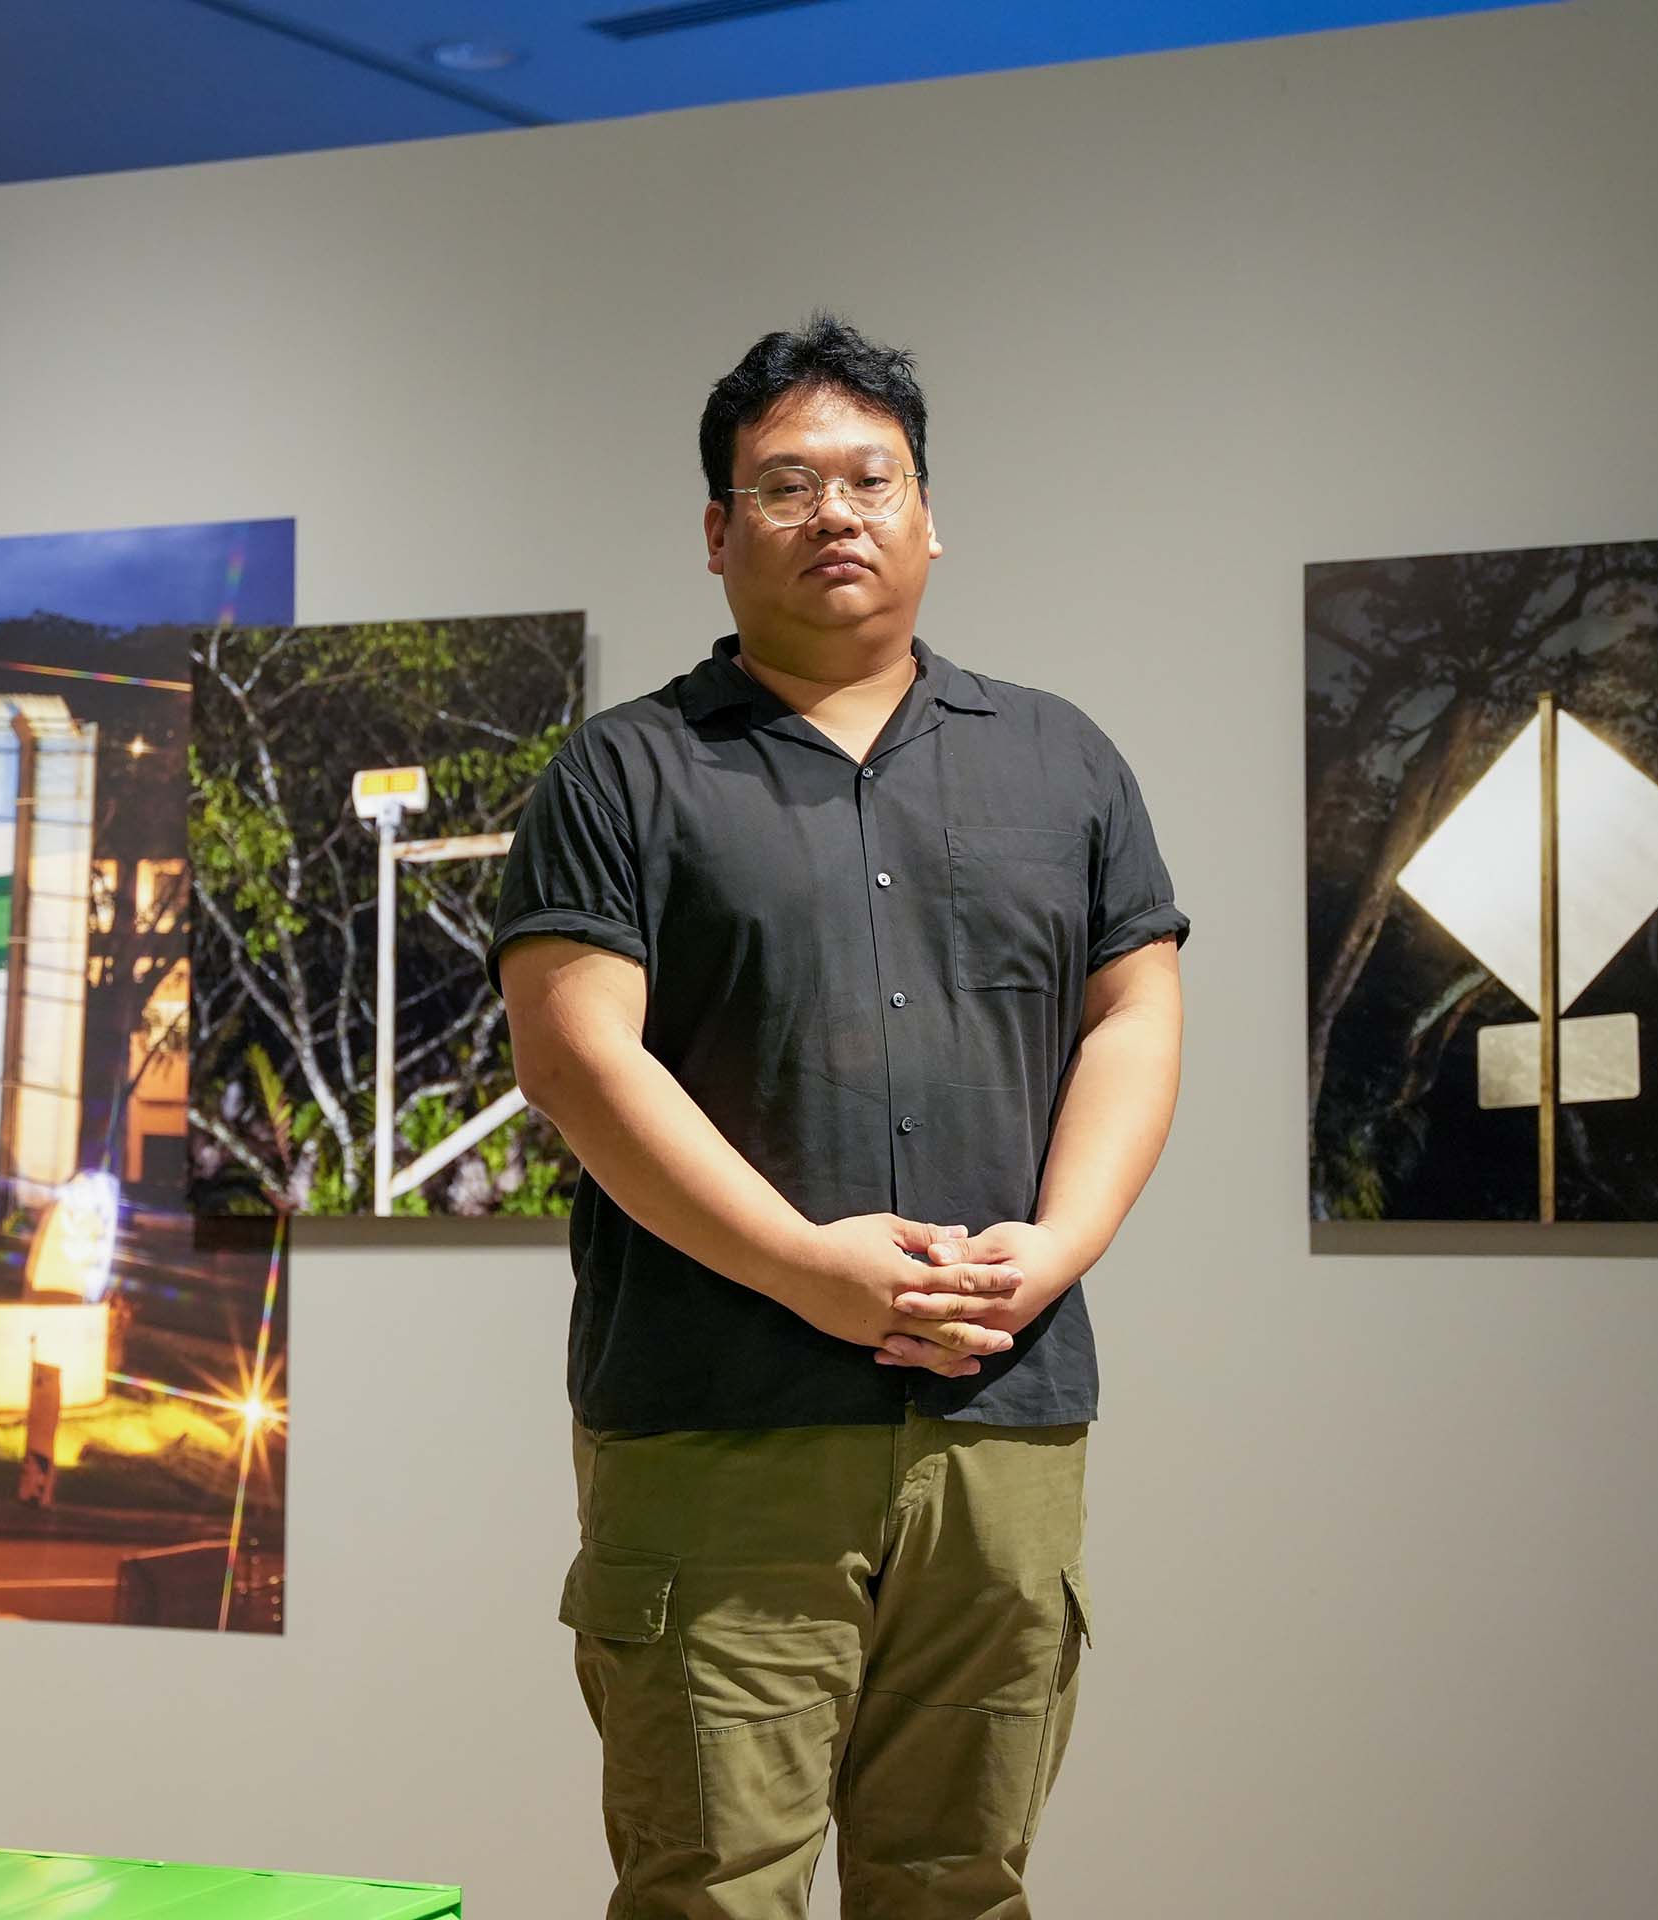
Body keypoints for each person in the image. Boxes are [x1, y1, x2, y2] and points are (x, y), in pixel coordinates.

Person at [487, 312, 1187, 1918]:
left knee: (962, 1881)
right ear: (720, 534)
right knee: (712, 1886)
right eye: (786, 484)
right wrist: (809, 1265)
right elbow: (578, 1058)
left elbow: (1135, 1015)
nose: (838, 512)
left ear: (930, 513)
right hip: (716, 1425)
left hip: (1000, 1426)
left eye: (873, 477)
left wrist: (1060, 1245)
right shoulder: (624, 773)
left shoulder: (1064, 762)